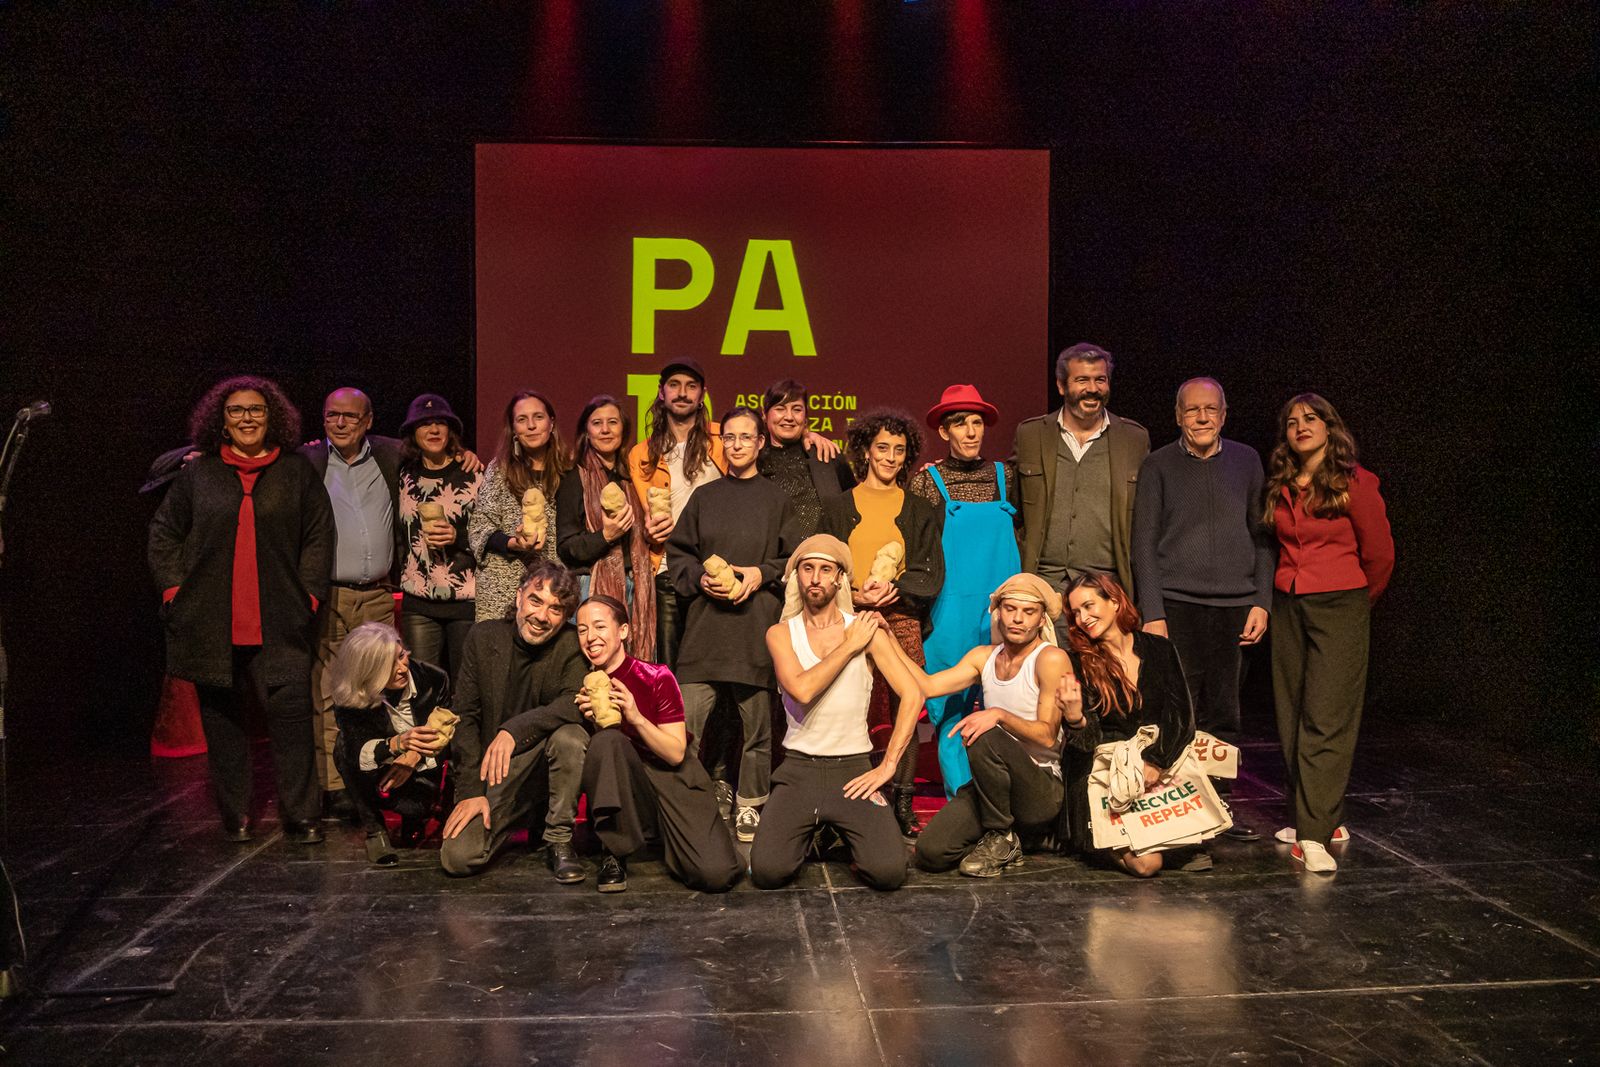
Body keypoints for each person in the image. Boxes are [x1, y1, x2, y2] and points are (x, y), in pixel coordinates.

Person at [148, 375, 334, 843]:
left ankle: (302, 816)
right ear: (221, 422)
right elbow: (163, 535)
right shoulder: (199, 475)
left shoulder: (295, 473)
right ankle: (236, 814)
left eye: (256, 410)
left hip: (280, 623)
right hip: (212, 623)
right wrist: (175, 593)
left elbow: (318, 536)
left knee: (291, 724)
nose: (247, 418)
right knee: (224, 727)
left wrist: (308, 597)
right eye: (237, 411)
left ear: (272, 419)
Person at [1131, 377, 1273, 843]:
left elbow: (1263, 537)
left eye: (1211, 409)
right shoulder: (1158, 465)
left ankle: (1217, 802)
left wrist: (1262, 602)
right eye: (1193, 410)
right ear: (1178, 416)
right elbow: (1143, 545)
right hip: (1177, 604)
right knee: (1177, 707)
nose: (1202, 417)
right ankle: (1177, 802)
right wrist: (1153, 611)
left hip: (1235, 606)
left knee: (1224, 709)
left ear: (1224, 414)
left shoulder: (1247, 461)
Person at [1263, 393, 1393, 874]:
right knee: (1292, 713)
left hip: (1341, 603)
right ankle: (1319, 817)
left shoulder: (1355, 482)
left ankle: (1312, 836)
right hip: (1289, 601)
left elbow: (1380, 555)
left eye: (1311, 418)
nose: (1301, 426)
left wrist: (1356, 602)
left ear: (1329, 426)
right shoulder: (1281, 483)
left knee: (1327, 717)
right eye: (1292, 420)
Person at [751, 535, 924, 890]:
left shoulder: (866, 631)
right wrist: (849, 647)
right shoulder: (781, 633)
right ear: (797, 576)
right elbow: (801, 690)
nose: (815, 577)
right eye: (807, 568)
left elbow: (912, 693)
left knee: (890, 873)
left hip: (853, 770)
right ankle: (816, 830)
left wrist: (888, 765)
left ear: (840, 578)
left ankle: (837, 826)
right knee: (768, 872)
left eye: (825, 569)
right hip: (799, 768)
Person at [666, 405, 799, 843]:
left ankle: (750, 804)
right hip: (705, 633)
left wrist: (761, 574)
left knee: (757, 730)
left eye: (746, 437)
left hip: (754, 631)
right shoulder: (705, 498)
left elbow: (793, 559)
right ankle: (689, 802)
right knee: (687, 726)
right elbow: (678, 555)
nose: (737, 445)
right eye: (730, 438)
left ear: (761, 443)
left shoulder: (777, 500)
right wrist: (700, 579)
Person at [818, 408, 943, 838]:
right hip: (848, 617)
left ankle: (903, 800)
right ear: (866, 452)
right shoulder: (837, 507)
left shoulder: (921, 508)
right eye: (882, 448)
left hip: (901, 618)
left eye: (899, 450)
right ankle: (858, 797)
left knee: (907, 707)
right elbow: (821, 564)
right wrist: (852, 594)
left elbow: (930, 572)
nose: (890, 457)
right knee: (853, 709)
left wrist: (895, 589)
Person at [574, 596, 742, 893]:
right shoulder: (582, 684)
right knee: (607, 740)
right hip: (628, 786)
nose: (590, 637)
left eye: (600, 626)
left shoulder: (655, 676)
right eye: (582, 630)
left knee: (716, 874)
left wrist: (635, 717)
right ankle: (614, 851)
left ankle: (689, 841)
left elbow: (676, 753)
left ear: (623, 631)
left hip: (673, 780)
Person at [910, 575, 1071, 877]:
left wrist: (999, 714)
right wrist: (883, 640)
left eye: (1029, 611)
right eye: (1010, 609)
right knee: (930, 852)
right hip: (993, 787)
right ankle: (1015, 838)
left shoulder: (1050, 658)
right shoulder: (984, 657)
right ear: (998, 612)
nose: (1018, 619)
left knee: (983, 733)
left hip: (1039, 788)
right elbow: (927, 686)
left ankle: (1003, 836)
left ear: (1040, 619)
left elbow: (1048, 737)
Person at [439, 562, 590, 882]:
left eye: (556, 609)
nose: (542, 616)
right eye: (536, 600)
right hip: (495, 772)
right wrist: (470, 791)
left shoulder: (571, 643)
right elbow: (464, 716)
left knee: (570, 736)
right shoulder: (483, 636)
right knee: (458, 857)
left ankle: (558, 839)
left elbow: (572, 703)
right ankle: (515, 815)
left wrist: (514, 729)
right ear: (520, 596)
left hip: (542, 764)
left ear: (565, 617)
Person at [908, 384, 1023, 798]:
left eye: (976, 422)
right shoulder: (927, 482)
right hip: (951, 611)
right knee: (951, 709)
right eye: (961, 423)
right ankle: (963, 799)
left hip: (1003, 610)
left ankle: (1007, 798)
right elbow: (917, 547)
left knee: (1006, 704)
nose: (971, 431)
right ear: (945, 432)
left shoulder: (1004, 476)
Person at [302, 387, 403, 822]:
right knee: (328, 692)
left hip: (379, 594)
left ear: (368, 421)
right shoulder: (308, 462)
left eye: (349, 417)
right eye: (331, 416)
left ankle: (376, 778)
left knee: (377, 691)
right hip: (330, 595)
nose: (340, 424)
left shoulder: (390, 457)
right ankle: (335, 787)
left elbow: (441, 453)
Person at [1059, 572, 1197, 878]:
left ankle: (1172, 843)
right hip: (1105, 772)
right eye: (1076, 612)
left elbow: (1181, 717)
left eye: (1089, 605)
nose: (1082, 618)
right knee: (1148, 865)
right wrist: (1075, 718)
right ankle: (1096, 841)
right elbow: (1087, 742)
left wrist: (1156, 762)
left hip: (1155, 765)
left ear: (1115, 600)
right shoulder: (1079, 661)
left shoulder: (1159, 649)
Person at [1013, 343, 1149, 600]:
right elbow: (1007, 498)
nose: (1092, 389)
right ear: (1062, 386)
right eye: (1082, 380)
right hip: (1044, 584)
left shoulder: (1134, 438)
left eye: (1100, 379)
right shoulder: (1031, 435)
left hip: (1107, 587)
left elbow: (1148, 519)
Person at [627, 360, 726, 668]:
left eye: (691, 386)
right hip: (667, 569)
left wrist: (809, 436)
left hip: (716, 567)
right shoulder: (641, 453)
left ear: (702, 395)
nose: (682, 393)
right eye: (674, 385)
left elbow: (767, 441)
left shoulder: (724, 439)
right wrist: (647, 531)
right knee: (671, 665)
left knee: (715, 662)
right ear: (661, 393)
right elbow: (643, 513)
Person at [326, 622, 447, 865]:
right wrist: (395, 744)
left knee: (418, 806)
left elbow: (450, 730)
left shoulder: (434, 679)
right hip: (378, 773)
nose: (402, 668)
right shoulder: (351, 695)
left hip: (424, 770)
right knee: (342, 747)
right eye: (388, 665)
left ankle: (417, 818)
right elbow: (356, 750)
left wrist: (413, 757)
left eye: (401, 656)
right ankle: (375, 831)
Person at [555, 395, 656, 660]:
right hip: (591, 585)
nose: (605, 429)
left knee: (632, 663)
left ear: (623, 430)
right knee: (592, 666)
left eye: (612, 422)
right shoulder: (574, 477)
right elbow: (566, 547)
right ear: (586, 432)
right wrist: (606, 536)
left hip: (637, 583)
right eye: (597, 423)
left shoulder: (632, 478)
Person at [396, 393, 482, 688]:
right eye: (424, 424)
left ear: (450, 430)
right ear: (412, 433)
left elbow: (491, 531)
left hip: (465, 600)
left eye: (440, 424)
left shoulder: (473, 474)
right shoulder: (403, 473)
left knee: (465, 687)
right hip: (419, 602)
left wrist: (458, 537)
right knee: (422, 686)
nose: (433, 431)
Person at [470, 389, 571, 623]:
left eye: (538, 417)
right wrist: (512, 543)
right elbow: (479, 526)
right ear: (514, 429)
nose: (531, 426)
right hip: (502, 586)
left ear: (552, 422)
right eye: (522, 420)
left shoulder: (569, 469)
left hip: (552, 587)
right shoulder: (500, 469)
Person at [757, 378, 853, 538]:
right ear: (765, 414)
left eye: (797, 409)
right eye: (780, 408)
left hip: (823, 556)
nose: (789, 417)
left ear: (806, 417)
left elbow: (852, 507)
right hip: (772, 559)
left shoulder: (827, 455)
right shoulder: (754, 460)